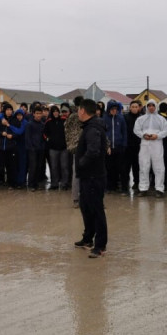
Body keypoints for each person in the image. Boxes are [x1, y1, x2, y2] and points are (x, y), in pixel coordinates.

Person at [73, 99, 108, 258]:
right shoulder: (89, 126)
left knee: (96, 210)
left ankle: (100, 245)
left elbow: (93, 151)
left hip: (94, 176)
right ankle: (88, 238)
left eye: (78, 110)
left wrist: (81, 163)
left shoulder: (93, 128)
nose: (77, 113)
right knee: (86, 207)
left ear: (82, 111)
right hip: (87, 176)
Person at [133, 99, 167, 197]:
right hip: (145, 144)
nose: (151, 107)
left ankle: (159, 189)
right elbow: (136, 130)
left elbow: (166, 131)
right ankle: (143, 188)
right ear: (146, 107)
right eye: (149, 105)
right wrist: (143, 135)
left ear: (155, 107)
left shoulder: (161, 119)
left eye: (153, 105)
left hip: (157, 144)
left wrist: (157, 136)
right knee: (143, 166)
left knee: (159, 167)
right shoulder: (141, 119)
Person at [102, 100, 127, 193]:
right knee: (109, 168)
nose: (114, 110)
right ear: (109, 109)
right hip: (108, 148)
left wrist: (124, 145)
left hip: (119, 147)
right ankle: (110, 187)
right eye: (112, 109)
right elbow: (103, 133)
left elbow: (124, 132)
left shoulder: (121, 118)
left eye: (115, 109)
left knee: (121, 168)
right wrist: (106, 146)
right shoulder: (104, 119)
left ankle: (124, 188)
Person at [44, 106, 68, 190]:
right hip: (53, 148)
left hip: (63, 148)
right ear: (52, 112)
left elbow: (68, 131)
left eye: (57, 111)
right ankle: (54, 184)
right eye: (54, 111)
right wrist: (48, 140)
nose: (55, 113)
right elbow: (44, 133)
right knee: (54, 167)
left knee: (64, 166)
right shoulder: (48, 122)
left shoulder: (64, 120)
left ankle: (64, 184)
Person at [25, 106, 45, 191]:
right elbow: (27, 138)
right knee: (33, 167)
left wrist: (43, 146)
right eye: (37, 113)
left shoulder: (42, 124)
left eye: (40, 113)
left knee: (39, 167)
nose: (38, 115)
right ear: (33, 114)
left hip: (41, 149)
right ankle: (31, 184)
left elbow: (44, 137)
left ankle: (36, 184)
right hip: (32, 150)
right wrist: (31, 148)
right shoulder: (29, 124)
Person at [123, 100, 142, 190]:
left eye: (136, 107)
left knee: (137, 166)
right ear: (130, 108)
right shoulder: (125, 117)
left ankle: (137, 183)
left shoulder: (141, 118)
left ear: (138, 108)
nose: (134, 108)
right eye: (133, 107)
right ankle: (125, 184)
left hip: (138, 146)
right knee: (126, 166)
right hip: (127, 145)